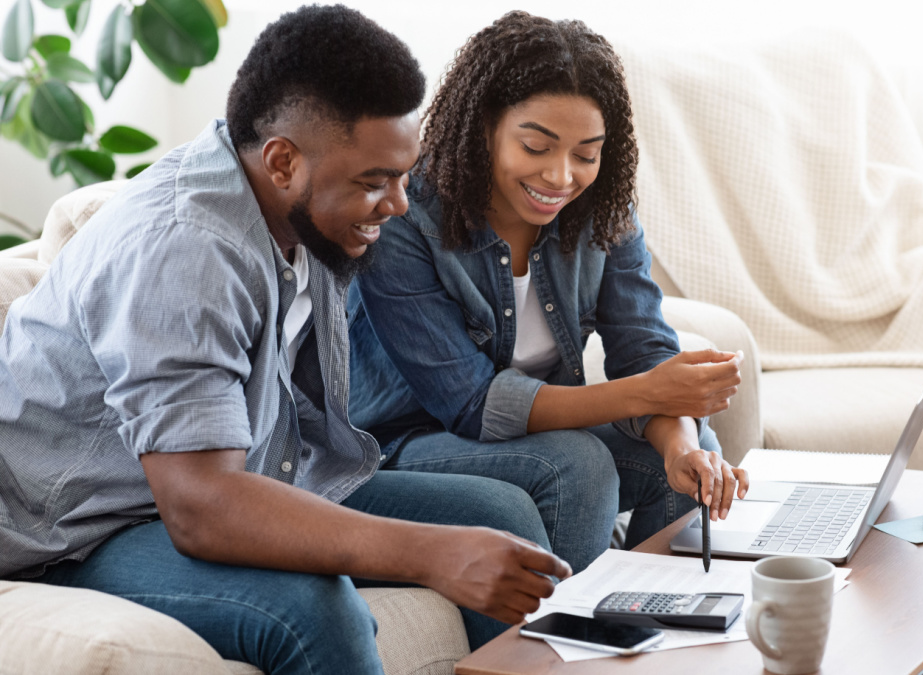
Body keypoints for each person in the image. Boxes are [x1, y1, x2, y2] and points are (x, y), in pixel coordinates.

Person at [0, 6, 570, 672]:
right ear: (282, 161)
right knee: (311, 607)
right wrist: (434, 552)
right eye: (374, 182)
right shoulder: (187, 250)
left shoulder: (302, 213)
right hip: (81, 528)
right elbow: (202, 505)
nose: (397, 205)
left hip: (237, 474)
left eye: (402, 176)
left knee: (503, 516)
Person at [349, 11, 749, 576]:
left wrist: (683, 442)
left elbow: (643, 350)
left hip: (520, 439)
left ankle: (657, 627)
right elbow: (470, 404)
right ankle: (575, 648)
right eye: (536, 147)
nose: (561, 177)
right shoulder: (408, 215)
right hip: (405, 443)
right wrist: (648, 392)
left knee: (685, 453)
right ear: (484, 125)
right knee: (579, 465)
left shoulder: (602, 213)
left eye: (585, 154)